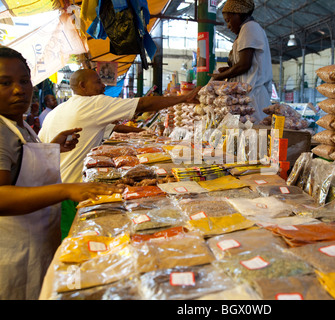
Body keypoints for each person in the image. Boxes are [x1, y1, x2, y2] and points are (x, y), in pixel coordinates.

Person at [0, 47, 124, 300]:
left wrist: (52, 147)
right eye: (5, 83)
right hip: (13, 250)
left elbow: (19, 164)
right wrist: (67, 189)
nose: (18, 89)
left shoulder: (17, 124)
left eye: (24, 81)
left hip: (39, 237)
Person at [38, 68, 201, 239]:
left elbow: (112, 128)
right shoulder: (93, 103)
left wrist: (139, 131)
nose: (103, 86)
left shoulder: (58, 110)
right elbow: (143, 104)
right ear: (82, 86)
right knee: (79, 244)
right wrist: (184, 97)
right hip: (73, 191)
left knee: (67, 238)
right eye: (98, 82)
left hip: (53, 189)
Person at [209, 0, 273, 124]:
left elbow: (244, 65)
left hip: (253, 95)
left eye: (228, 20)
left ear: (238, 14)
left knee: (254, 137)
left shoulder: (250, 27)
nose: (228, 25)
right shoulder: (245, 30)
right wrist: (228, 70)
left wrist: (221, 76)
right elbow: (244, 64)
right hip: (247, 96)